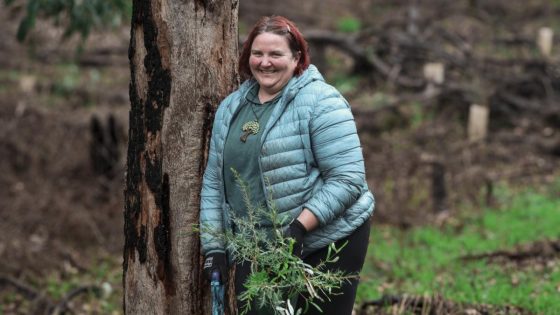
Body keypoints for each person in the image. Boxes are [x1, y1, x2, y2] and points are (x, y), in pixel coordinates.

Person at [200, 15, 375, 315]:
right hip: (256, 246)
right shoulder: (231, 108)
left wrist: (300, 226)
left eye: (275, 54)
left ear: (297, 58)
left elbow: (348, 178)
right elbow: (215, 183)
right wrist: (214, 248)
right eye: (258, 53)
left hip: (326, 239)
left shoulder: (322, 101)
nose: (265, 62)